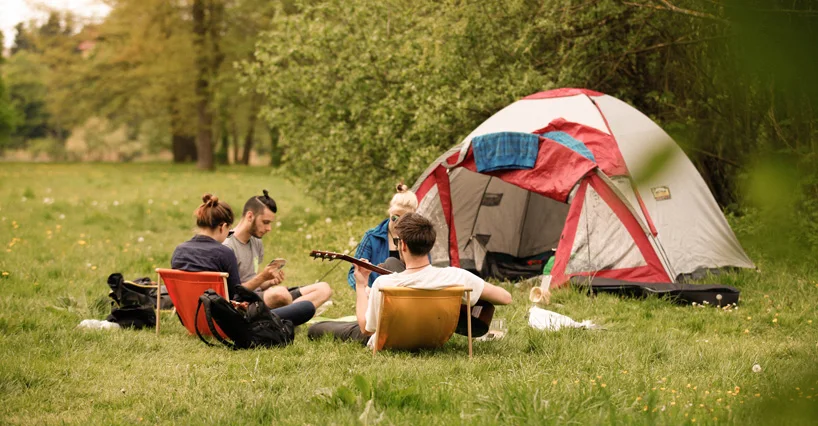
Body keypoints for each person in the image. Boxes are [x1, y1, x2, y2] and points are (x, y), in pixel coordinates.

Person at [309, 212, 512, 346]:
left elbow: (365, 327)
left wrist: (362, 286)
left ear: (403, 245)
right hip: (434, 337)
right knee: (390, 263)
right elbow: (505, 298)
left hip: (393, 339)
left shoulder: (384, 284)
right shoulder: (457, 276)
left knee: (316, 329)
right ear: (430, 245)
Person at [171, 193, 315, 326]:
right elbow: (237, 295)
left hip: (191, 321)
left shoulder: (179, 250)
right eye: (228, 230)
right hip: (224, 324)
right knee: (306, 308)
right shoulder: (225, 252)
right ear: (223, 226)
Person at [223, 189, 332, 310]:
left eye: (270, 223)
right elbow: (233, 294)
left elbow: (254, 282)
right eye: (265, 222)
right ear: (250, 216)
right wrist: (262, 277)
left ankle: (285, 313)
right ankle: (291, 312)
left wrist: (269, 281)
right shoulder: (228, 246)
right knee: (280, 294)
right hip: (245, 302)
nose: (269, 228)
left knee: (324, 288)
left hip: (262, 296)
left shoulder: (256, 241)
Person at [347, 183, 418, 289]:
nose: (398, 223)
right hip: (376, 293)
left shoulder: (418, 237)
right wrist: (366, 290)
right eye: (395, 217)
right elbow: (354, 273)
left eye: (405, 219)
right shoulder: (372, 237)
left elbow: (424, 272)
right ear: (389, 212)